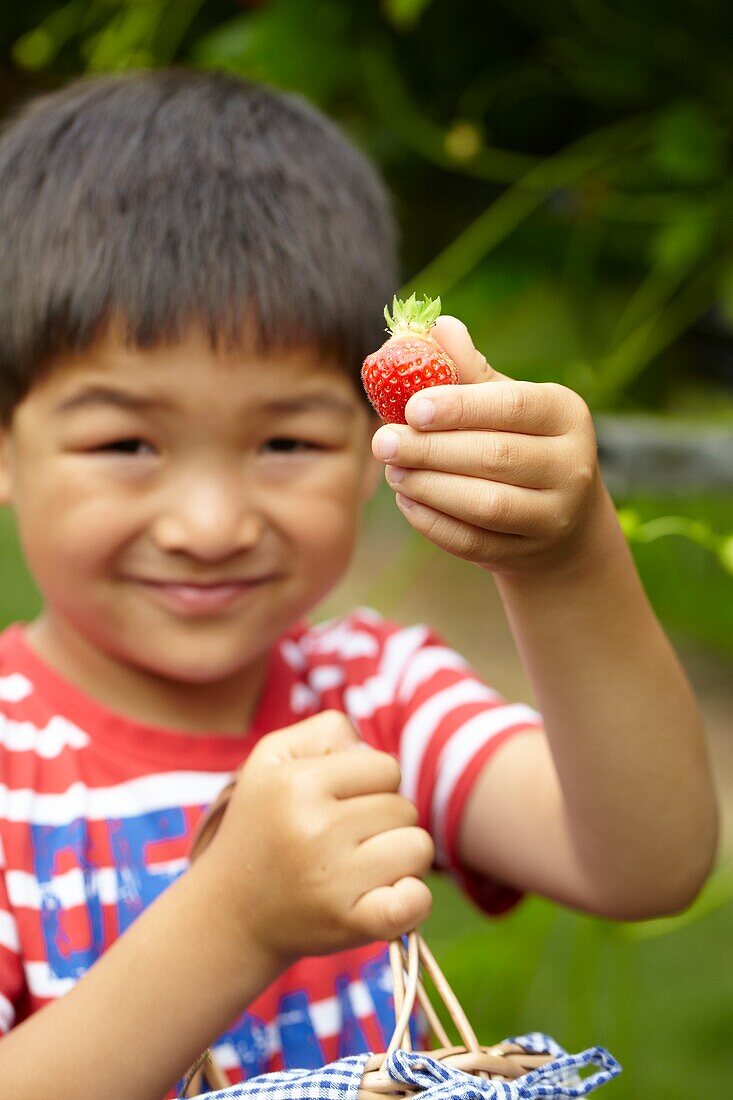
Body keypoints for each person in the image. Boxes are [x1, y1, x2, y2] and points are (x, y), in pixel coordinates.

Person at [0, 69, 718, 1100]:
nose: (211, 524)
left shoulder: (374, 697)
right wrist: (230, 921)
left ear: (366, 442)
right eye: (126, 440)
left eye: (285, 438)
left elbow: (648, 861)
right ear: (7, 444)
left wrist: (565, 561)